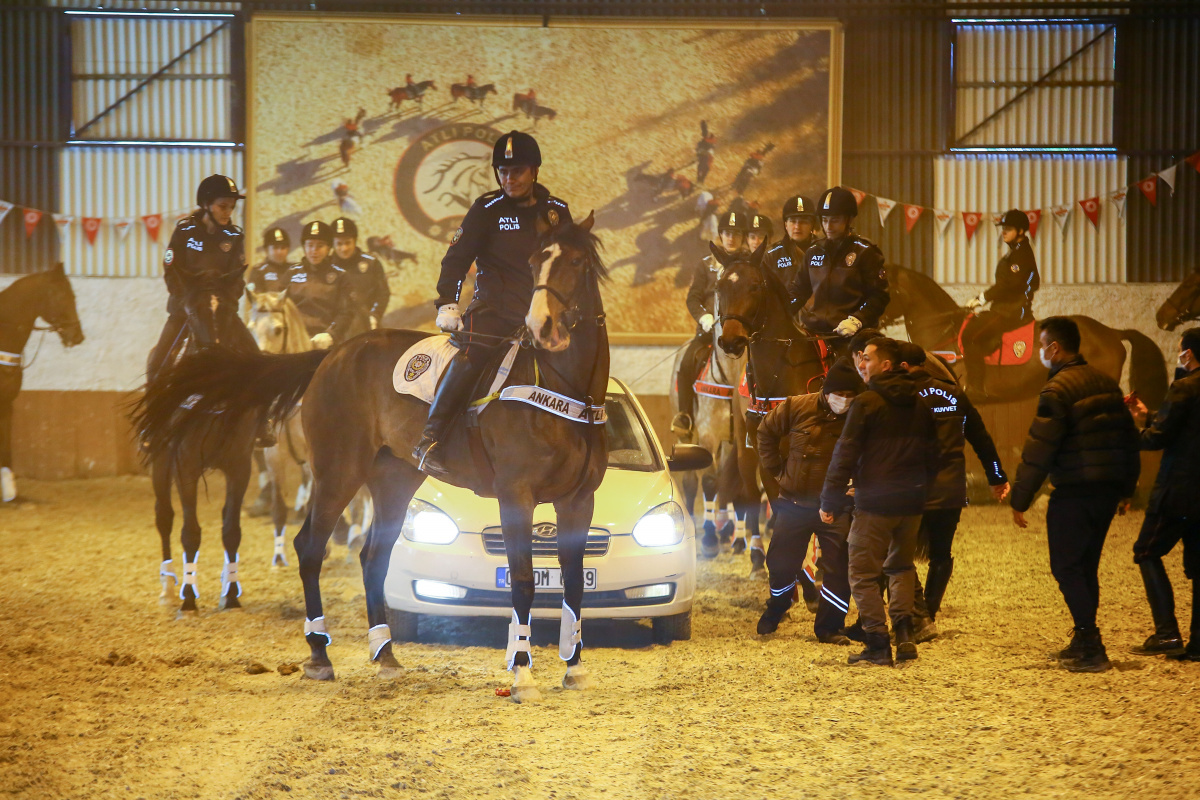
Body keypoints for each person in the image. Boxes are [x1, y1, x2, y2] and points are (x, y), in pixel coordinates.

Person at [412, 130, 571, 473]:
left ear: (534, 171)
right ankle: (432, 437)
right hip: (495, 313)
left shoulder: (557, 211)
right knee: (470, 356)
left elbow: (569, 264)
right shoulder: (487, 209)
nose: (508, 179)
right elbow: (456, 259)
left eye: (516, 171)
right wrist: (447, 303)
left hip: (543, 315)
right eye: (502, 171)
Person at [1009, 317, 1141, 673]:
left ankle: (1091, 644)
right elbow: (1128, 440)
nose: (1040, 352)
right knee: (1086, 567)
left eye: (1042, 345)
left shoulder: (1056, 390)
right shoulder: (1106, 383)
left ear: (1054, 348)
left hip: (1074, 492)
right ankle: (1083, 639)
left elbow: (1040, 450)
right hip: (1106, 491)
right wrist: (1128, 488)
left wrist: (1019, 499)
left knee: (1066, 567)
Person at [820, 337, 939, 666]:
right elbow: (934, 455)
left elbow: (844, 454)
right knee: (901, 567)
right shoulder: (920, 403)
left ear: (885, 365)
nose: (862, 364)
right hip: (911, 503)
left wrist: (829, 499)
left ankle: (876, 642)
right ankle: (904, 635)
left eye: (868, 359)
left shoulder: (867, 403)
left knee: (860, 573)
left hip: (875, 503)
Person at [897, 342, 1009, 642]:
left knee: (898, 552)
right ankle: (928, 614)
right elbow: (981, 438)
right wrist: (997, 477)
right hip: (950, 488)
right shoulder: (956, 395)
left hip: (913, 489)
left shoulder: (901, 396)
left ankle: (916, 615)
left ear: (903, 366)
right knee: (941, 554)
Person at [755, 359, 864, 642]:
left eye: (851, 397)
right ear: (826, 392)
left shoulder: (861, 415)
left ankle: (829, 627)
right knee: (779, 564)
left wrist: (859, 483)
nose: (845, 402)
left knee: (839, 567)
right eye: (840, 395)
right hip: (793, 502)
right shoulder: (795, 406)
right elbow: (765, 431)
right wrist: (778, 470)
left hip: (836, 506)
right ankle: (778, 605)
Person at [1127, 327, 1200, 661]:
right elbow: (1183, 425)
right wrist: (1150, 415)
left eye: (1183, 350)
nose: (1180, 355)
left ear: (1189, 353)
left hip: (1178, 489)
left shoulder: (1184, 387)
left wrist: (1131, 430)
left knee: (1146, 551)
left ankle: (1168, 632)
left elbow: (1157, 439)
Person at [147, 174, 258, 385]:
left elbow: (237, 279)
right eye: (222, 206)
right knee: (157, 363)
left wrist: (225, 304)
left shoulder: (234, 237)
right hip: (185, 310)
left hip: (221, 312)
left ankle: (264, 415)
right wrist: (188, 302)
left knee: (257, 357)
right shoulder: (184, 230)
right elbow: (171, 268)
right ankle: (154, 414)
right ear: (207, 204)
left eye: (231, 207)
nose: (228, 212)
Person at [671, 210, 748, 436]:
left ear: (743, 236)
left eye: (735, 233)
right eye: (726, 233)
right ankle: (684, 415)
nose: (730, 238)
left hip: (741, 332)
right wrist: (704, 317)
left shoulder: (749, 266)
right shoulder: (706, 265)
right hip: (708, 332)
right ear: (720, 235)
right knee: (686, 362)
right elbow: (693, 297)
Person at [788, 187, 889, 357]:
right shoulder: (813, 252)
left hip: (852, 337)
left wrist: (857, 319)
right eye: (825, 220)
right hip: (814, 334)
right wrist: (784, 311)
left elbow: (879, 296)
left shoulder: (866, 252)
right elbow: (798, 291)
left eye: (834, 220)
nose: (828, 226)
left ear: (848, 220)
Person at [960, 208, 1040, 398]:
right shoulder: (1015, 252)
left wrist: (981, 298)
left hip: (1010, 312)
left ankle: (976, 388)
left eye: (1009, 228)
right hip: (1005, 308)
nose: (1004, 231)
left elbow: (1008, 284)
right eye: (1003, 227)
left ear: (1021, 231)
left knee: (970, 335)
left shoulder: (1020, 255)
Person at [287, 221, 353, 349]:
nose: (314, 251)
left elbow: (346, 312)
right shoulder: (291, 273)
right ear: (304, 247)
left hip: (325, 344)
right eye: (310, 245)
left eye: (320, 246)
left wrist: (330, 334)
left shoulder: (340, 276)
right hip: (294, 342)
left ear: (328, 248)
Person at [330, 216, 390, 331]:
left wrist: (374, 316)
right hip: (333, 328)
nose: (344, 248)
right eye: (339, 244)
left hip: (365, 326)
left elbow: (383, 293)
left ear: (355, 241)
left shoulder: (371, 263)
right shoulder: (327, 266)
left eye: (348, 243)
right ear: (332, 244)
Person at [764, 195, 819, 287]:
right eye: (793, 221)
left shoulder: (824, 250)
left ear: (812, 225)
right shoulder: (771, 255)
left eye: (803, 222)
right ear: (786, 225)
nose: (797, 227)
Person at [245, 226, 292, 295]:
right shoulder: (258, 271)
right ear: (266, 249)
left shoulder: (295, 270)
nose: (279, 251)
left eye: (283, 248)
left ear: (288, 250)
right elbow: (255, 298)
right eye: (275, 247)